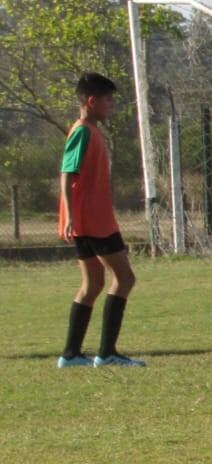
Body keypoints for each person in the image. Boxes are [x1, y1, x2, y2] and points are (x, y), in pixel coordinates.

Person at [56, 73, 144, 368]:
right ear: (91, 101)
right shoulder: (83, 131)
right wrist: (70, 215)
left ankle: (71, 355)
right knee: (125, 278)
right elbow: (68, 173)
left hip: (85, 220)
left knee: (93, 283)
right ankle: (106, 353)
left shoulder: (90, 130)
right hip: (94, 221)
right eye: (108, 101)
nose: (111, 106)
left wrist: (71, 217)